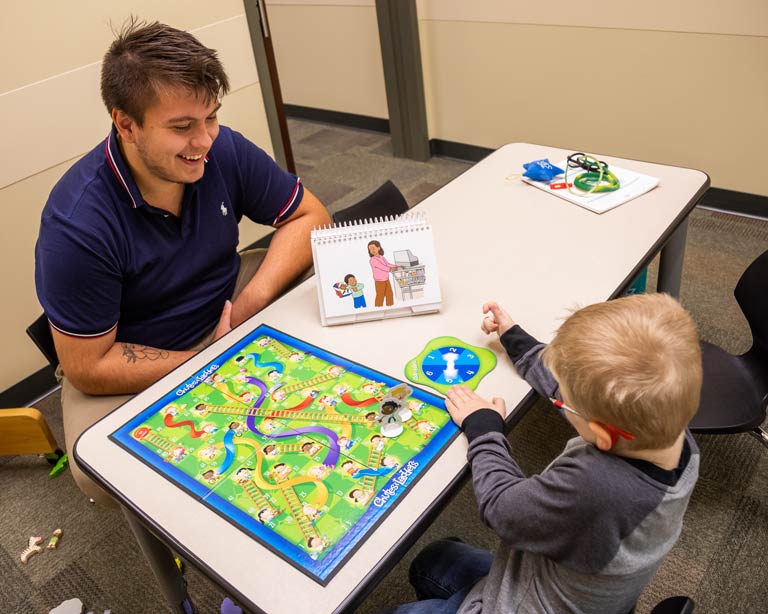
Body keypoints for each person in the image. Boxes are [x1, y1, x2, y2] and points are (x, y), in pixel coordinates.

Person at [34, 19, 330, 505]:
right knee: (101, 475)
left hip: (226, 303)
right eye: (181, 127)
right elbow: (87, 365)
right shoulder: (77, 224)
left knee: (326, 272)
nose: (205, 141)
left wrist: (252, 304)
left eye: (210, 117)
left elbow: (309, 215)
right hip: (132, 352)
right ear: (125, 123)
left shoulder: (222, 148)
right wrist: (206, 363)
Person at [391, 293, 702, 614]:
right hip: (576, 587)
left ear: (602, 435)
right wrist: (517, 341)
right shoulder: (668, 430)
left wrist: (484, 428)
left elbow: (500, 508)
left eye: (563, 402)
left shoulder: (597, 487)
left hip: (514, 606)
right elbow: (589, 391)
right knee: (434, 560)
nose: (559, 398)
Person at [367, 240, 398, 306]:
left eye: (373, 248)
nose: (372, 250)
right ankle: (377, 308)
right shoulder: (372, 260)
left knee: (389, 294)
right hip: (379, 281)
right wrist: (391, 269)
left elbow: (387, 264)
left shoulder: (382, 257)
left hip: (386, 280)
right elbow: (382, 267)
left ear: (378, 248)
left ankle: (390, 307)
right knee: (380, 296)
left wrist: (396, 266)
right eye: (370, 249)